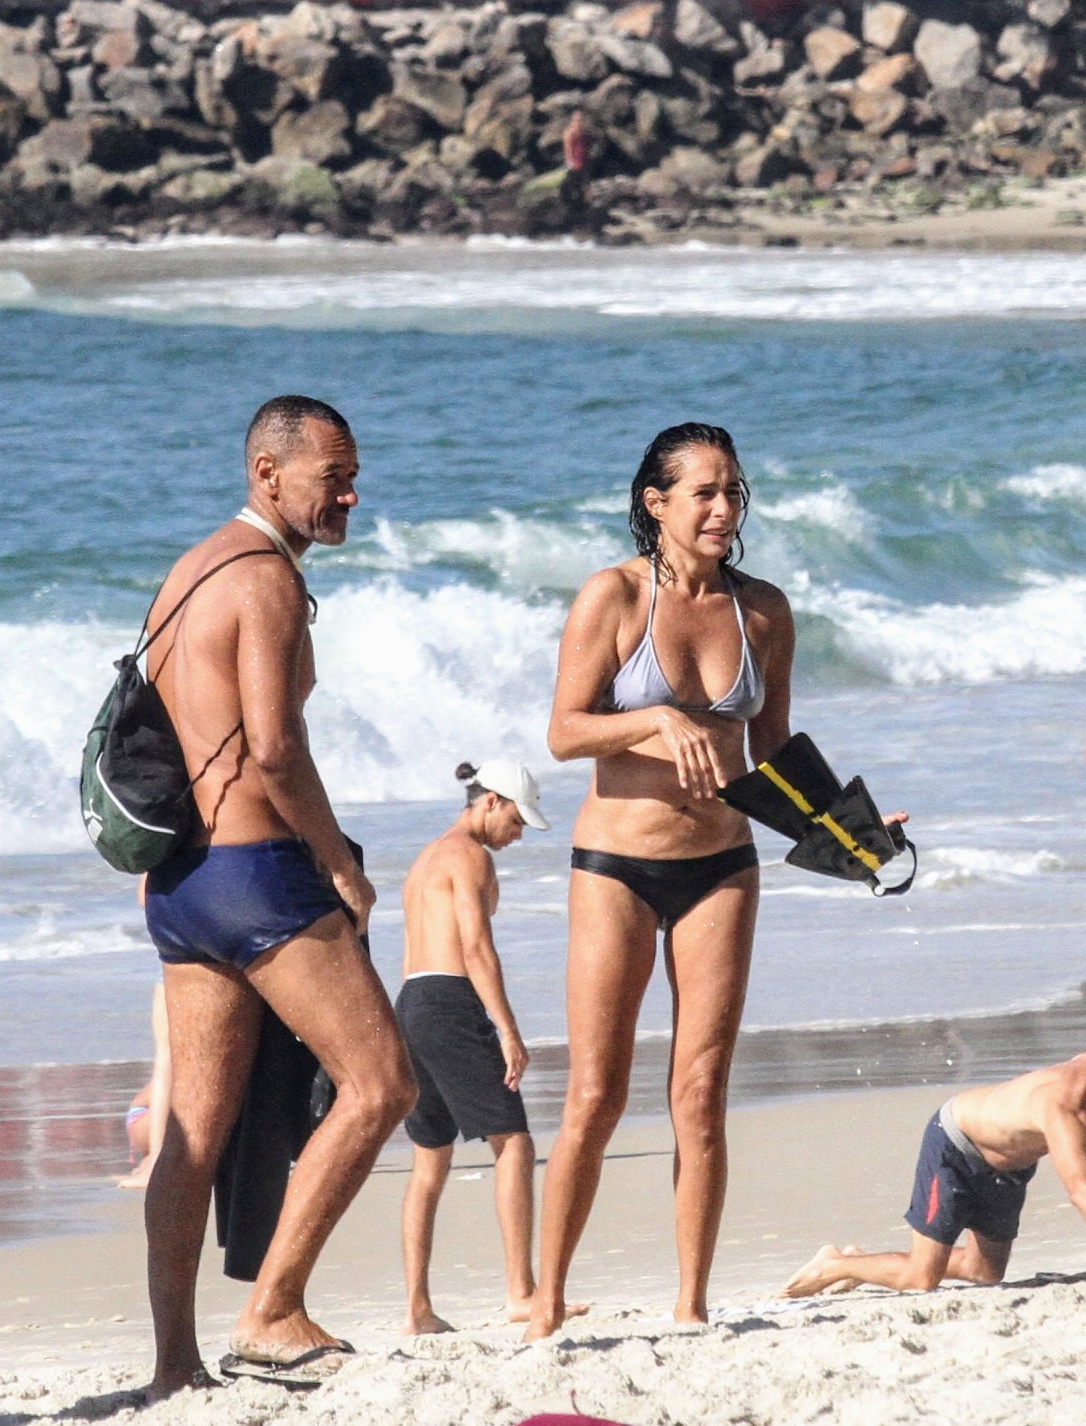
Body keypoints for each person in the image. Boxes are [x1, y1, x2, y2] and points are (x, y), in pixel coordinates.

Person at [139, 395, 416, 1396]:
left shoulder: (189, 570)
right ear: (267, 474)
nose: (349, 492)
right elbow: (274, 747)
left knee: (193, 1132)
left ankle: (174, 1361)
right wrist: (337, 858)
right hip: (257, 873)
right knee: (383, 1083)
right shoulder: (264, 581)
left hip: (180, 881)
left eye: (352, 473)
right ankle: (272, 1308)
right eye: (330, 476)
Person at [526, 421, 798, 1340]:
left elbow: (773, 758)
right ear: (657, 503)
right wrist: (649, 725)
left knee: (702, 1090)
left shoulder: (762, 610)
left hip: (723, 867)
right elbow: (564, 732)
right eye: (705, 494)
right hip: (617, 868)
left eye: (734, 493)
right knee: (596, 1094)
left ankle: (690, 1306)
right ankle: (546, 1307)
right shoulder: (612, 596)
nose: (724, 509)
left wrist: (851, 832)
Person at [397, 759, 552, 1334]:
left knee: (429, 1161)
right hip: (449, 1002)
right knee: (514, 1141)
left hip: (410, 1002)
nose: (516, 835)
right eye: (515, 820)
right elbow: (476, 949)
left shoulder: (425, 859)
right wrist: (507, 1028)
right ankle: (521, 1292)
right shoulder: (471, 856)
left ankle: (416, 1308)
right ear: (490, 802)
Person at [782, 1055, 1086, 1298]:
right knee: (921, 1278)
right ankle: (833, 1265)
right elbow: (1079, 1188)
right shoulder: (1060, 1103)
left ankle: (864, 1262)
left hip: (1009, 1167)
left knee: (983, 1272)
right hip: (956, 1146)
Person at [119, 982, 171, 1190]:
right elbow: (167, 1066)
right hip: (148, 1117)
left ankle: (157, 1155)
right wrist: (158, 1158)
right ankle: (156, 1158)